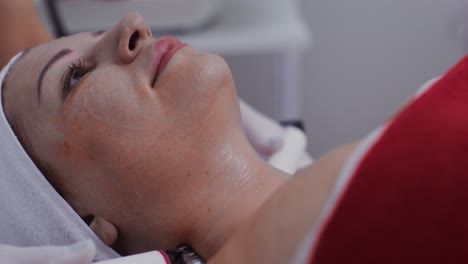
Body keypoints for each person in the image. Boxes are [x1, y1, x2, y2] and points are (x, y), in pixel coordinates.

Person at [2, 10, 468, 264]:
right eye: (74, 77)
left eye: (97, 33)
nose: (133, 25)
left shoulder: (375, 153)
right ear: (85, 223)